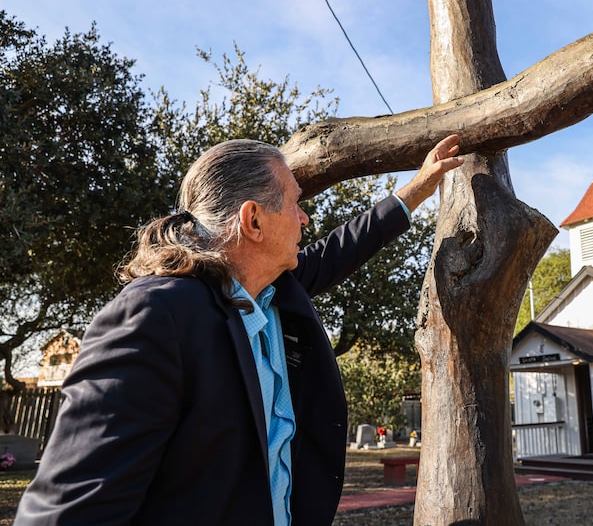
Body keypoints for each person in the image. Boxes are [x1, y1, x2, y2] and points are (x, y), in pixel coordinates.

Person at [14, 134, 463, 526]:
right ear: (253, 221)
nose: (304, 218)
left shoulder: (272, 292)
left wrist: (417, 189)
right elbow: (70, 509)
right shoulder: (154, 316)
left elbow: (338, 251)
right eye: (294, 202)